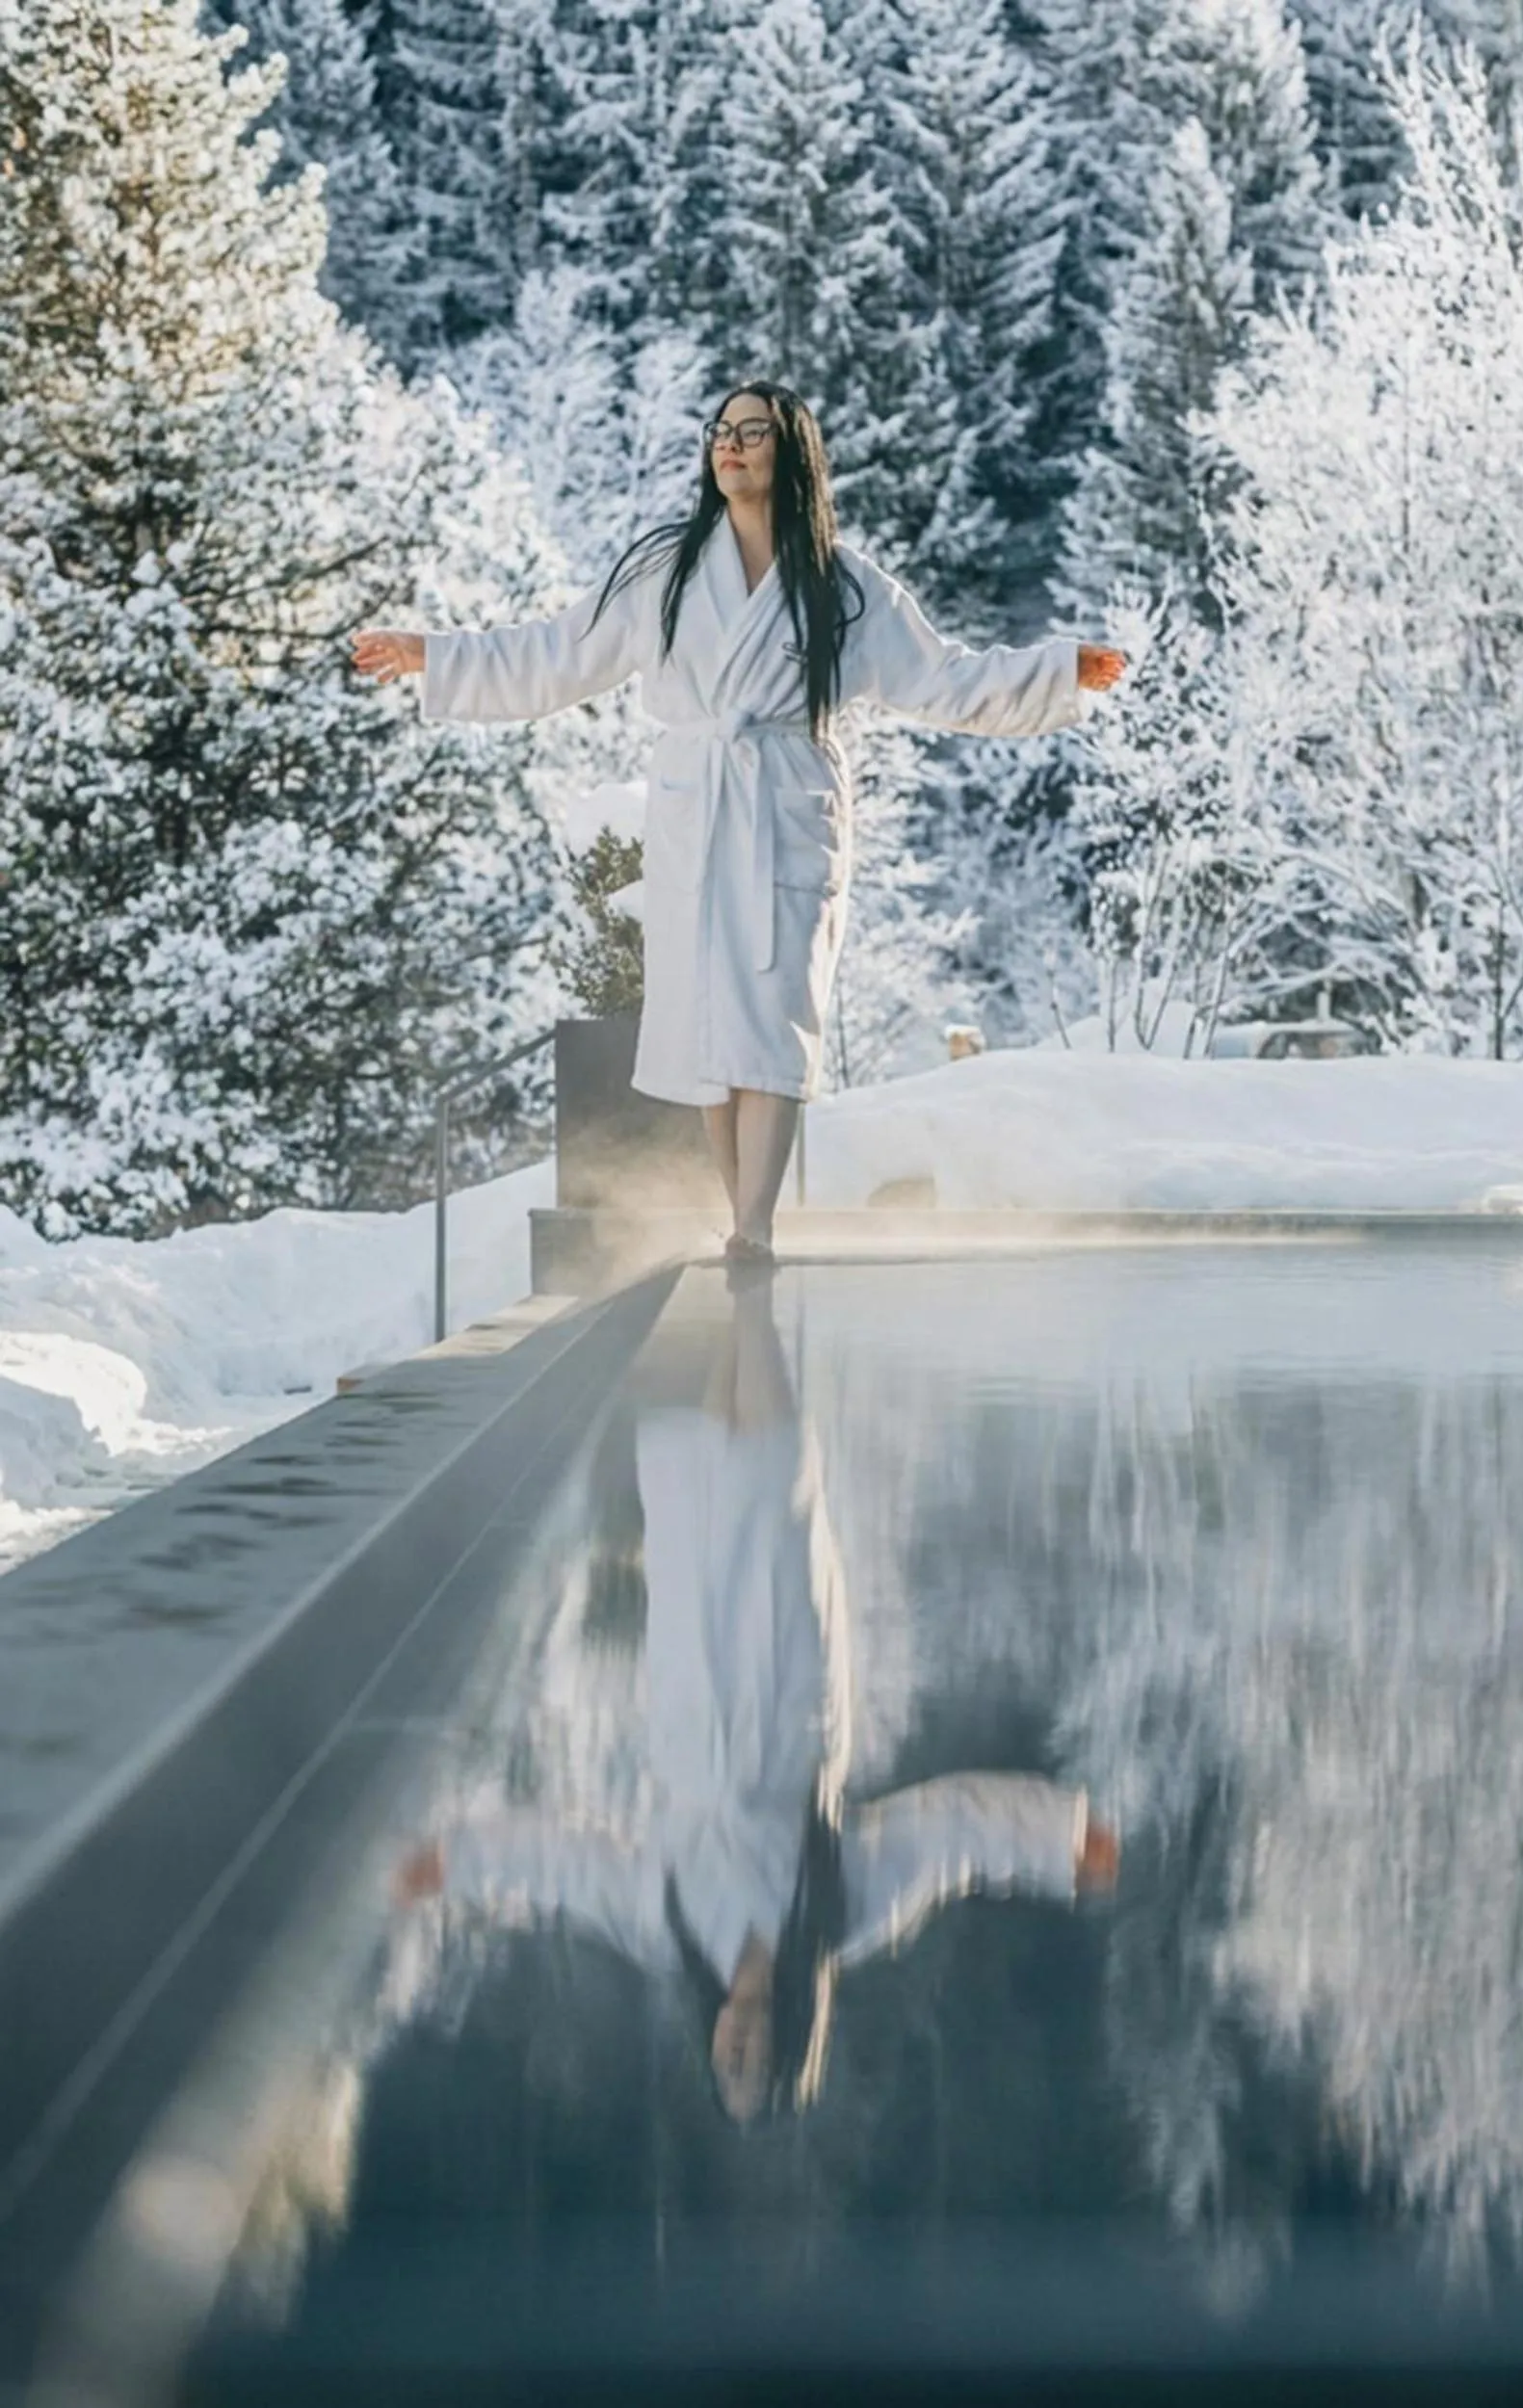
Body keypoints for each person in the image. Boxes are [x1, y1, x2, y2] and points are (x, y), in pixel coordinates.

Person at [352, 380, 1128, 1265]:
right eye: (721, 431)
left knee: (775, 1014)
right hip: (698, 803)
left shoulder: (841, 584)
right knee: (708, 1029)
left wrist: (1057, 672)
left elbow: (942, 677)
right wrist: (436, 656)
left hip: (787, 802)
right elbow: (558, 653)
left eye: (752, 432)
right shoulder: (666, 571)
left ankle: (755, 1223)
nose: (731, 445)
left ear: (791, 451)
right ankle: (741, 1216)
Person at [395, 1274, 1119, 2125]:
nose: (734, 2052)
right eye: (753, 2066)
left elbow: (568, 1869)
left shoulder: (669, 1936)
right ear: (785, 2046)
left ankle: (729, 1282)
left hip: (691, 1699)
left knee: (702, 1483)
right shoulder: (838, 1920)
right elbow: (947, 1837)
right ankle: (751, 1288)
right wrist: (1058, 1841)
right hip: (790, 1701)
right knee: (771, 1483)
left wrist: (457, 1862)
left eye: (724, 2069)